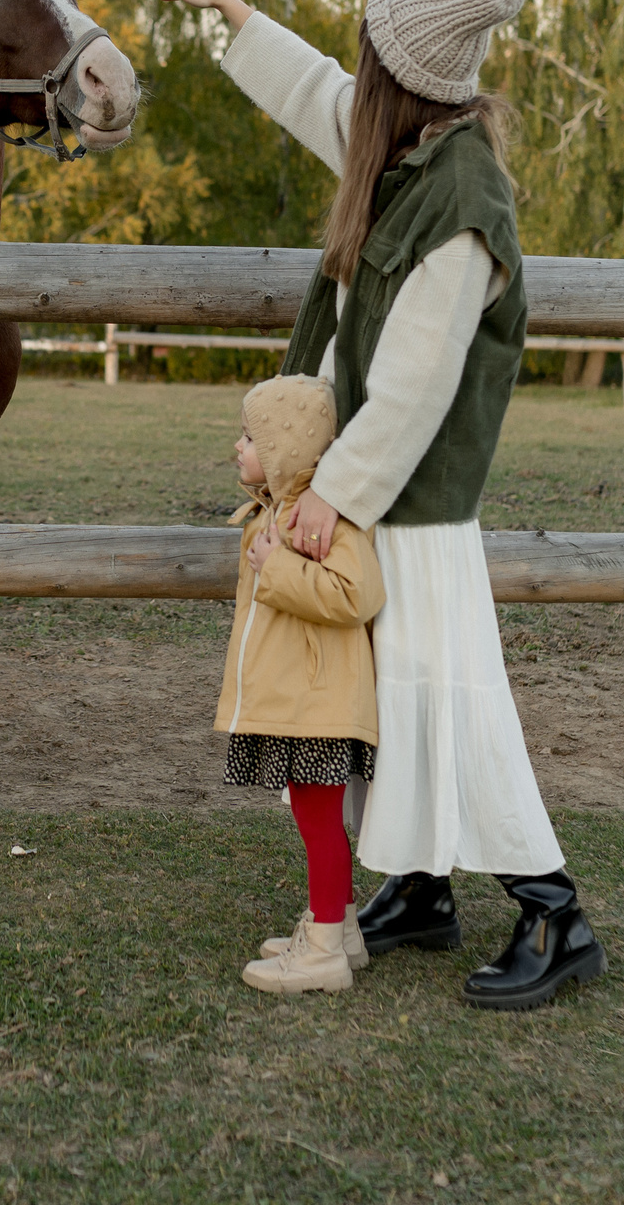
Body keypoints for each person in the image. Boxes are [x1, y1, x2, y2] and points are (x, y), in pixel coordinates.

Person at [138, 0, 604, 1012]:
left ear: (405, 77)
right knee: (388, 702)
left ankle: (554, 912)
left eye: (371, 56)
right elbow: (317, 93)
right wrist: (231, 13)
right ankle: (421, 892)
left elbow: (412, 386)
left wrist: (332, 493)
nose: (357, 74)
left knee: (448, 702)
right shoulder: (404, 146)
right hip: (373, 499)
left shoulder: (463, 200)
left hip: (414, 509)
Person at [219, 375, 385, 994]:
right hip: (301, 700)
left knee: (318, 825)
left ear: (284, 450)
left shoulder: (322, 523)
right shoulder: (281, 511)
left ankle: (322, 955)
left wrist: (279, 567)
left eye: (250, 437)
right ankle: (341, 932)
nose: (238, 447)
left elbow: (357, 594)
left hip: (319, 705)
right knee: (318, 822)